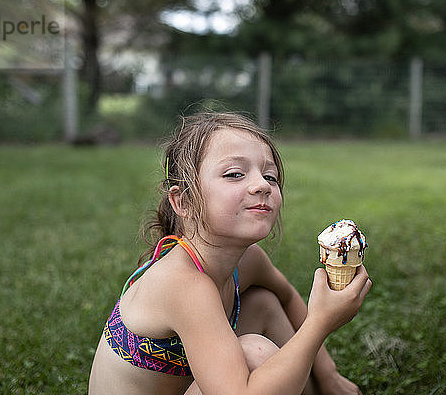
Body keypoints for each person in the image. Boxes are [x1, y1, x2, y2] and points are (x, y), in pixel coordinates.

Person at [88, 112, 372, 395]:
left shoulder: (249, 260)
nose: (262, 185)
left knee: (264, 303)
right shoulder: (182, 284)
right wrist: (319, 323)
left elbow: (286, 296)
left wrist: (329, 375)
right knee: (255, 353)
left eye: (270, 176)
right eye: (235, 174)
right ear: (183, 201)